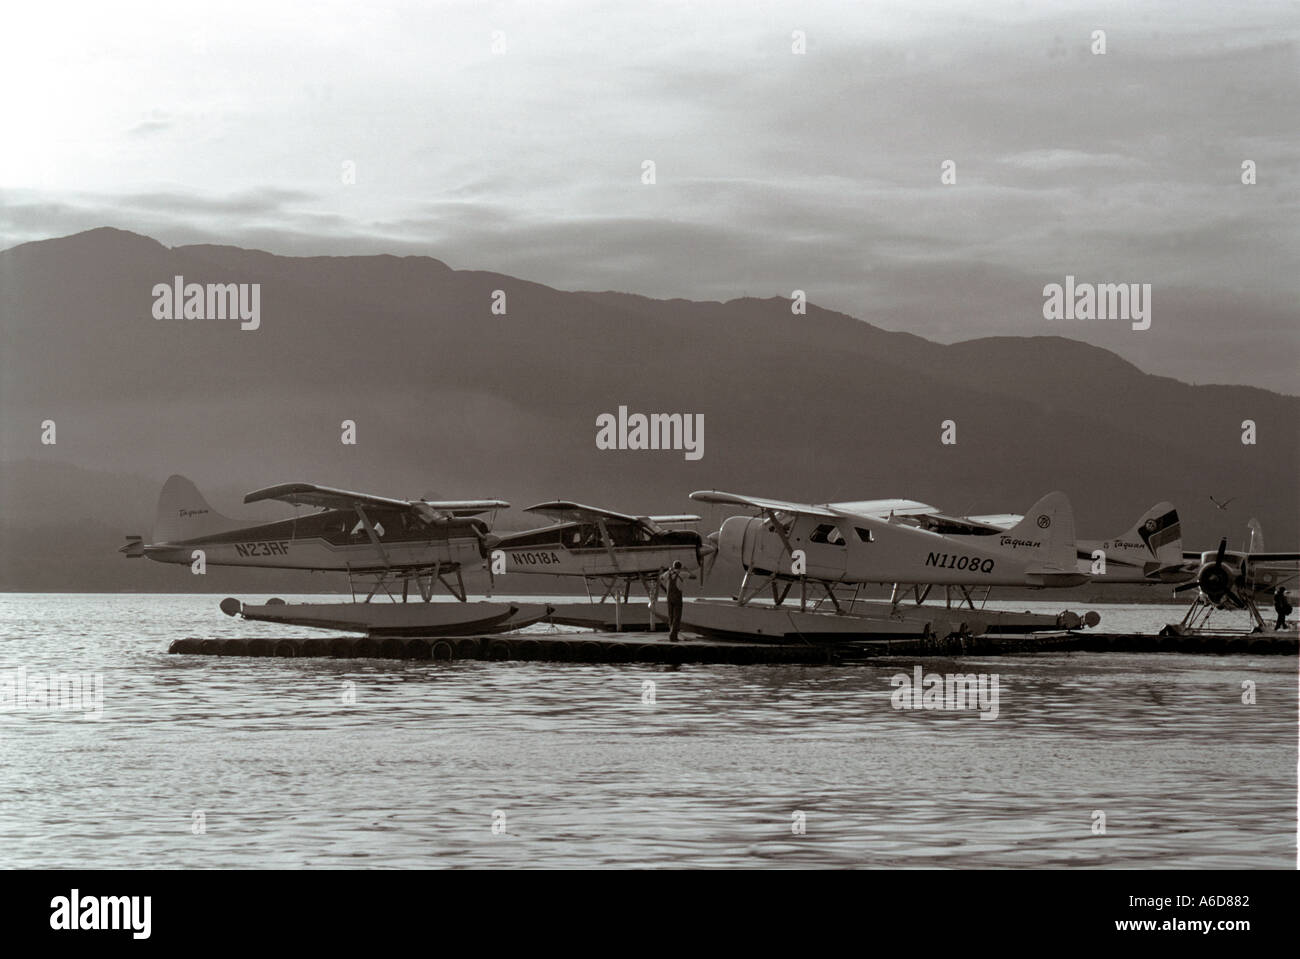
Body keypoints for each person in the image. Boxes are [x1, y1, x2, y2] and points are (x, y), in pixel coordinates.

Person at [658, 560, 695, 642]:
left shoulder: (669, 573)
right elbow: (694, 576)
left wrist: (668, 570)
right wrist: (687, 570)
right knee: (677, 617)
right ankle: (673, 636)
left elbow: (660, 578)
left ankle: (672, 634)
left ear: (673, 566)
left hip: (669, 597)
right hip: (677, 597)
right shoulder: (682, 573)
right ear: (680, 567)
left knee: (670, 616)